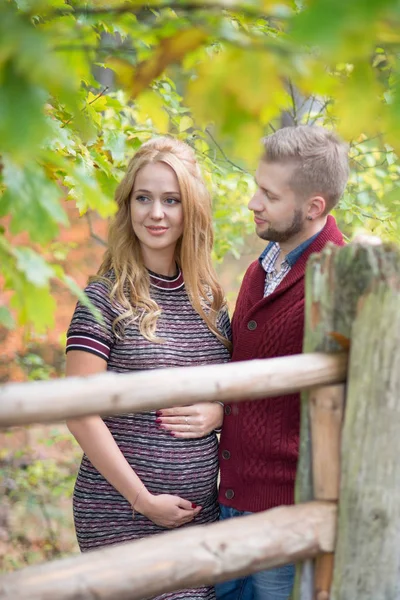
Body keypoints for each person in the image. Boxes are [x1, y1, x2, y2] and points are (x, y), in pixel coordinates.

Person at [65, 136, 231, 600]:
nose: (155, 213)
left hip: (198, 519)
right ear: (128, 206)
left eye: (170, 200)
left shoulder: (211, 305)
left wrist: (219, 412)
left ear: (190, 210)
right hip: (122, 514)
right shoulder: (102, 300)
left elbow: (231, 393)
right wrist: (144, 501)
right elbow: (79, 411)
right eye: (143, 198)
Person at [215, 125, 349, 600]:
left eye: (269, 195)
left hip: (288, 519)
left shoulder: (341, 280)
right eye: (257, 187)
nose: (253, 202)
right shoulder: (258, 271)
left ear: (313, 207)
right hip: (227, 505)